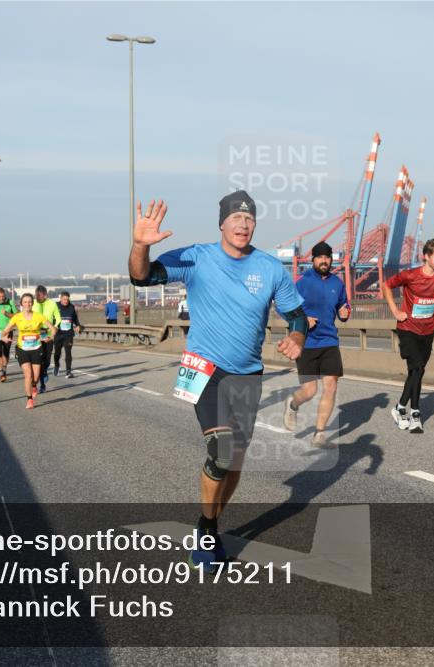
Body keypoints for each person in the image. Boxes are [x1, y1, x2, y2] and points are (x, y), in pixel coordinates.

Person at [128, 190, 307, 573]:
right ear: (222, 223)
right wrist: (139, 246)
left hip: (247, 374)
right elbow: (141, 277)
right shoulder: (196, 258)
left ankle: (206, 524)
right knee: (222, 451)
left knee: (235, 459)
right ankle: (208, 530)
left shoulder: (270, 268)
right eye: (236, 218)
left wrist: (297, 336)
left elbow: (296, 315)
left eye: (250, 219)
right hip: (204, 369)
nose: (243, 224)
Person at [282, 241, 351, 447]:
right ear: (313, 259)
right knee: (310, 391)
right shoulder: (302, 282)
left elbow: (343, 306)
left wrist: (345, 313)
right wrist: (302, 319)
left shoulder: (337, 284)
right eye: (320, 257)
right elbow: (284, 307)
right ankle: (293, 403)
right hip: (307, 342)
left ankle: (319, 434)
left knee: (330, 387)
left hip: (330, 341)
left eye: (328, 257)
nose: (324, 261)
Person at [383, 238, 434, 434]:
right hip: (407, 328)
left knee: (417, 372)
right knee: (417, 366)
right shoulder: (410, 275)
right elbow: (386, 285)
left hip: (427, 330)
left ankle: (405, 411)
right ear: (426, 256)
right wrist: (395, 312)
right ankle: (410, 411)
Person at [1, 293, 57, 409]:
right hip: (22, 349)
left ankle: (35, 386)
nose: (27, 304)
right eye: (25, 302)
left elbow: (53, 329)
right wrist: (3, 337)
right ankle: (29, 399)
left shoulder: (38, 316)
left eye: (30, 302)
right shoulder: (17, 317)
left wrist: (50, 337)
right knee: (28, 375)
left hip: (36, 348)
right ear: (21, 303)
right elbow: (5, 330)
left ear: (32, 303)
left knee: (35, 377)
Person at [33, 285, 61, 393]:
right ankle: (42, 385)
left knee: (47, 360)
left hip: (49, 335)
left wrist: (55, 329)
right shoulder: (33, 303)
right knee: (38, 360)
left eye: (40, 295)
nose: (38, 297)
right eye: (36, 295)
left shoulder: (52, 303)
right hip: (36, 335)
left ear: (45, 295)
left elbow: (58, 319)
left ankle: (44, 371)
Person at [53, 291, 83, 378]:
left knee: (68, 352)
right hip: (58, 333)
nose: (66, 301)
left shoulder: (71, 307)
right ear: (61, 299)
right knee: (57, 353)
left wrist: (78, 325)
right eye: (64, 299)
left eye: (67, 299)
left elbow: (75, 318)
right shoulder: (56, 306)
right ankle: (56, 365)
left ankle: (68, 371)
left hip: (68, 334)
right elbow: (51, 318)